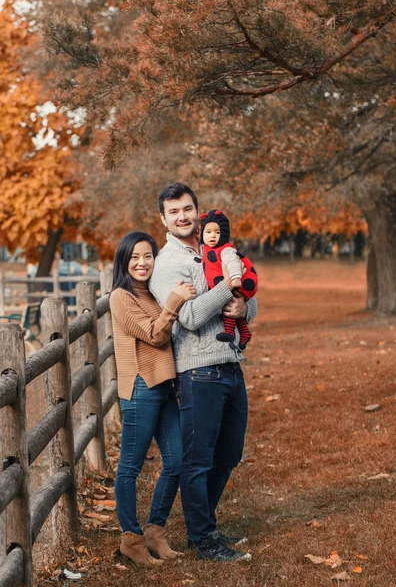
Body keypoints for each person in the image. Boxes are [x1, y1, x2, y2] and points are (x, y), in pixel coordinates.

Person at [150, 183, 258, 562]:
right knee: (198, 460)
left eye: (187, 209)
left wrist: (244, 309)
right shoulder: (166, 264)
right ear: (163, 219)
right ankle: (203, 537)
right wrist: (225, 290)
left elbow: (250, 297)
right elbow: (191, 317)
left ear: (197, 211)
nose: (183, 216)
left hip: (231, 364)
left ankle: (205, 524)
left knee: (229, 453)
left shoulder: (217, 248)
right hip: (198, 372)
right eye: (174, 211)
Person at [110, 231, 196, 565]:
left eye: (148, 256)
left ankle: (155, 532)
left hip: (164, 386)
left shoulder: (155, 294)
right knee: (130, 467)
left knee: (176, 461)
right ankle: (130, 539)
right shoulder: (121, 297)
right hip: (141, 388)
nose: (142, 263)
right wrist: (174, 302)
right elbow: (153, 335)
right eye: (134, 257)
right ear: (124, 261)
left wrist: (170, 300)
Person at [200, 209, 258, 350]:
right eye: (208, 232)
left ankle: (229, 331)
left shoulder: (225, 250)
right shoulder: (206, 248)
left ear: (224, 234)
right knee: (232, 305)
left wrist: (236, 278)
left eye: (217, 232)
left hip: (239, 283)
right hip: (228, 283)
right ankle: (244, 332)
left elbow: (233, 263)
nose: (212, 236)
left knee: (228, 304)